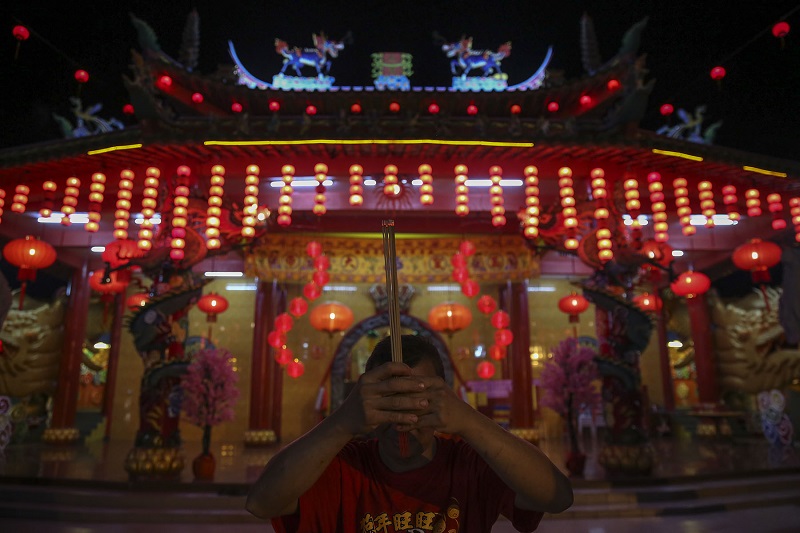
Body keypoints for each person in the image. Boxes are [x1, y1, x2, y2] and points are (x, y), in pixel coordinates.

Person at [246, 334, 573, 532]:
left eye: (419, 400)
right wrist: (341, 422)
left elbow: (557, 497)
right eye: (389, 400)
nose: (404, 418)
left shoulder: (468, 464)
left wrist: (470, 421)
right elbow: (262, 503)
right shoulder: (343, 467)